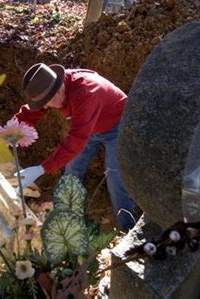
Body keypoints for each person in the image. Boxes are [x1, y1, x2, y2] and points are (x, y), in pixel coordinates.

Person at [12, 63, 138, 232]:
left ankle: (128, 230)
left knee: (115, 178)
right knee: (72, 169)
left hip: (118, 126)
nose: (47, 106)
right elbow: (32, 113)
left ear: (57, 90)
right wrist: (9, 133)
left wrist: (41, 168)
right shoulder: (54, 87)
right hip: (90, 126)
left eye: (47, 102)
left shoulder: (86, 91)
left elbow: (76, 141)